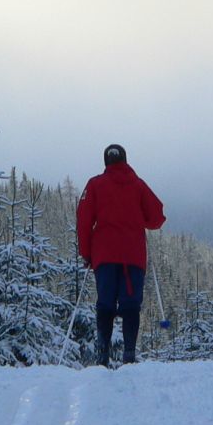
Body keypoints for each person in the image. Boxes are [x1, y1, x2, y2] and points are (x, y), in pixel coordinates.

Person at [76, 144, 166, 366]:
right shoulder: (138, 185)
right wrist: (137, 218)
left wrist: (87, 254)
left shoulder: (95, 184)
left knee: (105, 303)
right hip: (133, 255)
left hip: (104, 255)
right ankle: (129, 355)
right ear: (125, 160)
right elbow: (157, 217)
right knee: (131, 305)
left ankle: (102, 356)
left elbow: (84, 220)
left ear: (106, 162)